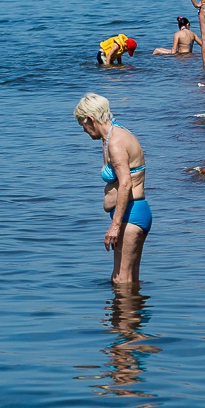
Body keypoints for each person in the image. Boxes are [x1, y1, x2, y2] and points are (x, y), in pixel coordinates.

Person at [74, 92, 149, 286]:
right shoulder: (112, 135)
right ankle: (132, 315)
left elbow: (125, 183)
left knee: (120, 280)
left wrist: (115, 226)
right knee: (129, 281)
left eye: (83, 125)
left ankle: (122, 316)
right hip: (133, 212)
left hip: (129, 216)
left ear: (92, 119)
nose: (84, 131)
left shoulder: (115, 142)